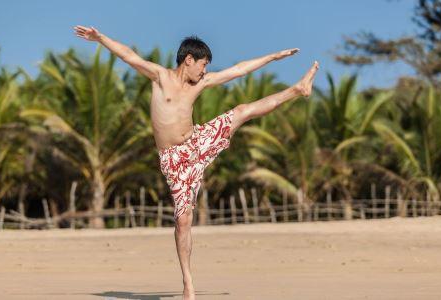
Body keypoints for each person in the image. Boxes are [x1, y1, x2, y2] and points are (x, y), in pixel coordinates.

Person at [74, 25, 319, 300]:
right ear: (188, 59)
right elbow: (129, 56)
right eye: (203, 65)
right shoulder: (160, 77)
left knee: (240, 112)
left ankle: (298, 89)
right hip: (174, 161)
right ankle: (188, 283)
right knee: (183, 220)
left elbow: (239, 70)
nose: (204, 71)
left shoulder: (200, 84)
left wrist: (273, 57)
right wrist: (100, 38)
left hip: (197, 144)